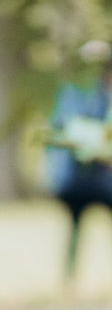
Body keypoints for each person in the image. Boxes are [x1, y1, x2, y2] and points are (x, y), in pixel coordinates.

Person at [44, 46, 112, 276]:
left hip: (101, 176)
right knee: (74, 229)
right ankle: (69, 276)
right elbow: (60, 131)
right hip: (76, 177)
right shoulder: (73, 93)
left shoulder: (101, 93)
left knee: (76, 229)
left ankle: (70, 275)